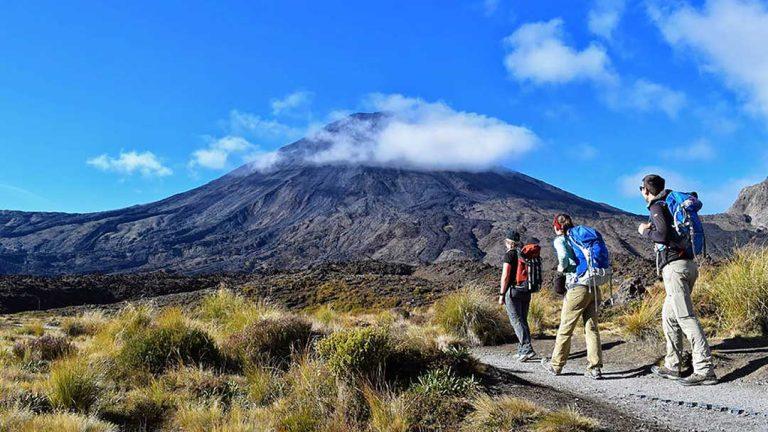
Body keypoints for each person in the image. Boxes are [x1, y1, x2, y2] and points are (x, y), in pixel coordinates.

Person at [638, 174, 717, 386]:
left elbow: (662, 235)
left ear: (646, 190)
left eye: (642, 189)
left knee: (685, 317)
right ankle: (674, 365)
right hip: (688, 265)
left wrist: (645, 232)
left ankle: (704, 368)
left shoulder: (657, 206)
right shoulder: (672, 204)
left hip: (675, 268)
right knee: (669, 317)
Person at [541, 214, 604, 380]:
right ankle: (595, 367)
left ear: (557, 227)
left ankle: (556, 365)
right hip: (594, 287)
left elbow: (563, 258)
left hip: (578, 287)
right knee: (592, 328)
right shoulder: (580, 237)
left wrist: (560, 274)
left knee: (565, 328)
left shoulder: (563, 240)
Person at [498, 229, 536, 362]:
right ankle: (522, 351)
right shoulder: (524, 254)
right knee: (523, 320)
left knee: (516, 321)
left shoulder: (510, 255)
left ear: (508, 242)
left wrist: (501, 294)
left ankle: (527, 349)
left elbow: (505, 276)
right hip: (526, 290)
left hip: (513, 291)